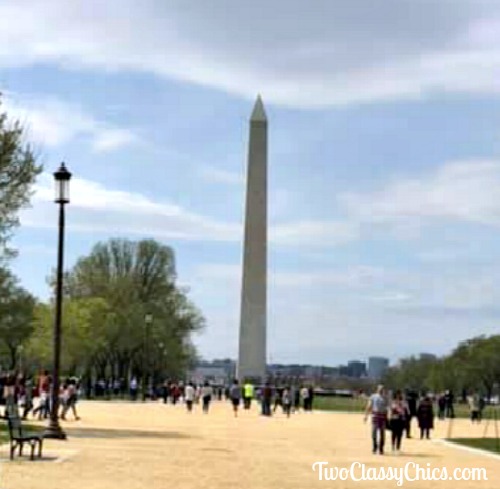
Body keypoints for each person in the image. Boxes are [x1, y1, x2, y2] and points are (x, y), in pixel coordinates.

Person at [364, 384, 388, 455]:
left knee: (382, 433)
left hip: (383, 416)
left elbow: (388, 407)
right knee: (374, 433)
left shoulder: (385, 398)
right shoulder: (373, 397)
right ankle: (375, 446)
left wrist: (389, 415)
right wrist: (366, 415)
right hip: (375, 415)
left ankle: (381, 448)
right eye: (380, 389)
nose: (381, 390)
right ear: (377, 389)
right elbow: (369, 406)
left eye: (382, 389)